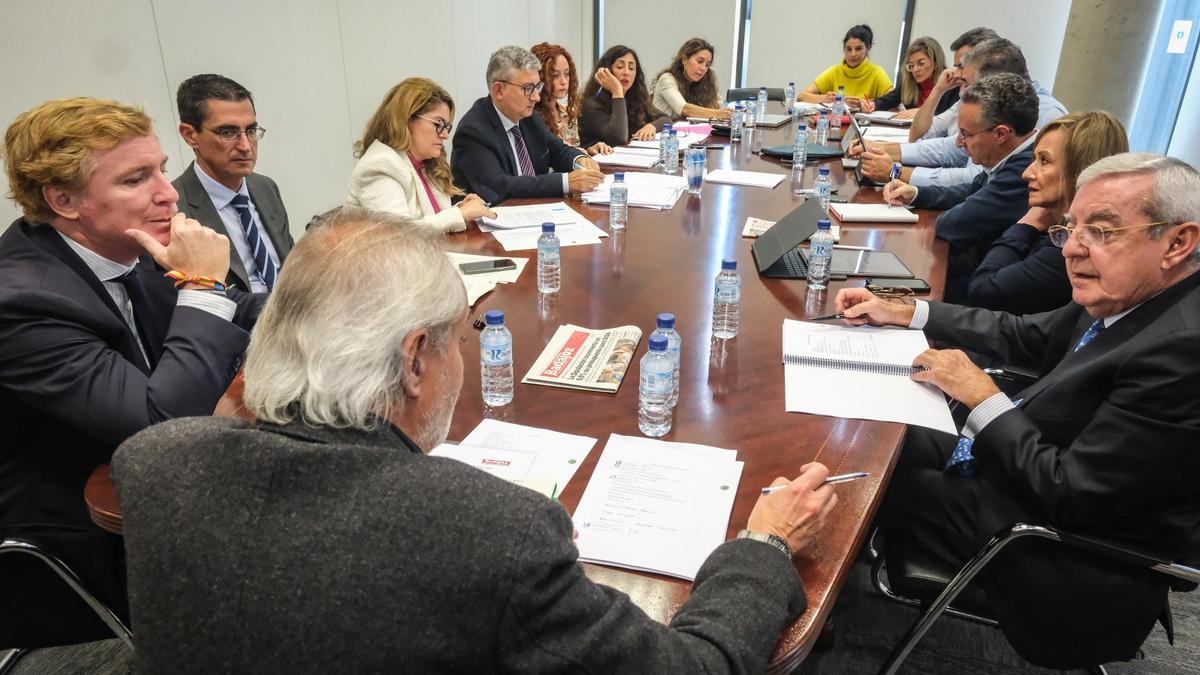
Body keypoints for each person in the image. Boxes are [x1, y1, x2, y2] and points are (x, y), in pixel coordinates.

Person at [113, 208, 840, 673]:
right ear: (414, 356)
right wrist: (764, 545)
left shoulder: (153, 463)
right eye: (461, 339)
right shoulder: (494, 532)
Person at [835, 152, 1200, 669]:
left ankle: (812, 618)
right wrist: (907, 312)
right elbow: (1022, 334)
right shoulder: (1131, 295)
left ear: (1177, 243)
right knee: (875, 432)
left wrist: (983, 397)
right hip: (1026, 469)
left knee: (867, 479)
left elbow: (1072, 494)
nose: (1072, 249)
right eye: (1071, 228)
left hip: (1065, 554)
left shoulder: (1184, 350)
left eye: (1100, 230)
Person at [0, 97, 262, 647]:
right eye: (136, 178)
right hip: (77, 535)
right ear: (63, 200)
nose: (168, 192)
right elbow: (158, 423)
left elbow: (246, 313)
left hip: (157, 478)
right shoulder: (21, 300)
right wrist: (203, 287)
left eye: (162, 169)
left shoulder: (127, 248)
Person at [882, 73, 1039, 301]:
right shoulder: (1008, 159)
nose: (958, 142)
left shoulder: (1023, 170)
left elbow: (951, 224)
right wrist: (916, 193)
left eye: (965, 134)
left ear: (1001, 134)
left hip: (986, 294)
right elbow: (970, 190)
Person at [969, 111, 1128, 314]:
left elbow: (984, 292)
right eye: (1033, 159)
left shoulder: (1070, 249)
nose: (1027, 173)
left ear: (1079, 171)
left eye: (1044, 161)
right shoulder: (1051, 222)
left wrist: (1024, 226)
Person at [855, 37, 1067, 187]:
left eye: (966, 80)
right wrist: (884, 150)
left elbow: (974, 178)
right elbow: (949, 146)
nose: (958, 83)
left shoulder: (1045, 114)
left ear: (997, 82)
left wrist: (897, 172)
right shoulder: (980, 99)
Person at [172, 74, 293, 293]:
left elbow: (291, 269)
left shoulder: (265, 188)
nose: (246, 146)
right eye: (228, 132)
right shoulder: (174, 209)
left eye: (251, 130)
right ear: (190, 135)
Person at [451, 45, 604, 205]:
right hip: (492, 221)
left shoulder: (529, 118)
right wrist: (565, 182)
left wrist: (579, 160)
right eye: (528, 88)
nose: (536, 97)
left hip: (534, 211)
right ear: (498, 91)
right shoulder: (473, 131)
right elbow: (498, 186)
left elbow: (558, 150)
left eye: (537, 87)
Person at [345, 77, 496, 233]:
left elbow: (428, 217)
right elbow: (398, 234)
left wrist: (463, 210)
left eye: (447, 127)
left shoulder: (425, 163)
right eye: (438, 124)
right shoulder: (381, 165)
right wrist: (459, 215)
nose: (445, 135)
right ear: (406, 119)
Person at [579, 45, 672, 148]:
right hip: (597, 161)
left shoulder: (636, 97)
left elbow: (666, 119)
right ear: (606, 72)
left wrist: (652, 126)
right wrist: (617, 91)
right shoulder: (591, 103)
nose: (626, 72)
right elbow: (618, 138)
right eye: (619, 67)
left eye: (631, 68)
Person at [531, 42, 612, 155]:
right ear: (539, 77)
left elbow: (574, 152)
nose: (564, 81)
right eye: (555, 75)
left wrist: (590, 151)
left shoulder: (568, 113)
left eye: (567, 74)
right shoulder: (531, 117)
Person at [797, 24, 893, 109]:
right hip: (836, 123)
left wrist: (867, 104)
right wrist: (826, 98)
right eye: (848, 49)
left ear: (868, 48)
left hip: (866, 126)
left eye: (858, 49)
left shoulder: (877, 72)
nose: (853, 54)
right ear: (844, 49)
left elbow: (894, 103)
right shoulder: (835, 71)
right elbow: (802, 96)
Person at [873, 37, 958, 120]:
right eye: (911, 65)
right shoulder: (909, 84)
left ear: (935, 63)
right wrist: (870, 105)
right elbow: (885, 101)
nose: (915, 70)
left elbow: (952, 117)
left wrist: (921, 112)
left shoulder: (951, 85)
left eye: (921, 63)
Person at [651, 38, 731, 120]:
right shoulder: (667, 79)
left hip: (692, 131)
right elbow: (684, 109)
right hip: (663, 131)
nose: (703, 68)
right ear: (684, 60)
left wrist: (730, 113)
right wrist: (718, 114)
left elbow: (720, 107)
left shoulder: (706, 83)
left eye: (707, 65)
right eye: (700, 61)